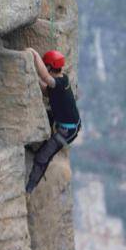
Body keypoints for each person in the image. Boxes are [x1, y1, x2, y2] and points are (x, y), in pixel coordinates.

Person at [25, 48, 81, 194]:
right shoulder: (63, 80)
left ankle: (30, 188)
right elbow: (46, 89)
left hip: (67, 130)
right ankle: (38, 144)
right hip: (67, 123)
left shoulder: (59, 83)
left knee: (43, 156)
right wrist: (32, 77)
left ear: (49, 67)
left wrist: (34, 54)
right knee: (46, 115)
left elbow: (45, 77)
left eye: (46, 65)